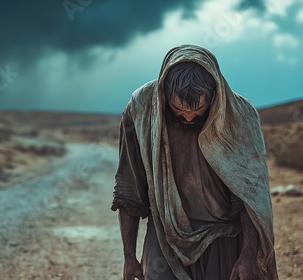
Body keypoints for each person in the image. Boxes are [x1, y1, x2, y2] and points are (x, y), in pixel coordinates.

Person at [111, 45, 278, 280]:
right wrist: (129, 257)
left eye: (198, 108)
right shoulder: (141, 109)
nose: (188, 117)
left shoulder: (240, 115)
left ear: (214, 96)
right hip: (165, 233)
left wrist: (248, 254)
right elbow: (130, 187)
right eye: (178, 108)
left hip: (225, 238)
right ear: (164, 95)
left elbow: (250, 194)